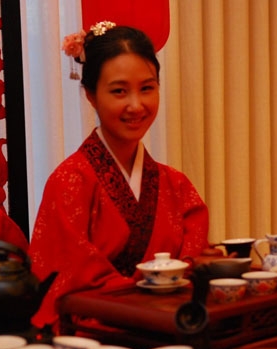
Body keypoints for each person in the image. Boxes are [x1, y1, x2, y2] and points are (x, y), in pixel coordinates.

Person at [28, 22, 213, 330]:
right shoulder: (70, 182)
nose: (136, 105)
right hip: (95, 334)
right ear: (91, 95)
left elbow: (196, 265)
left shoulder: (176, 185)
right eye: (119, 91)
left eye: (147, 88)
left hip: (168, 327)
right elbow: (67, 279)